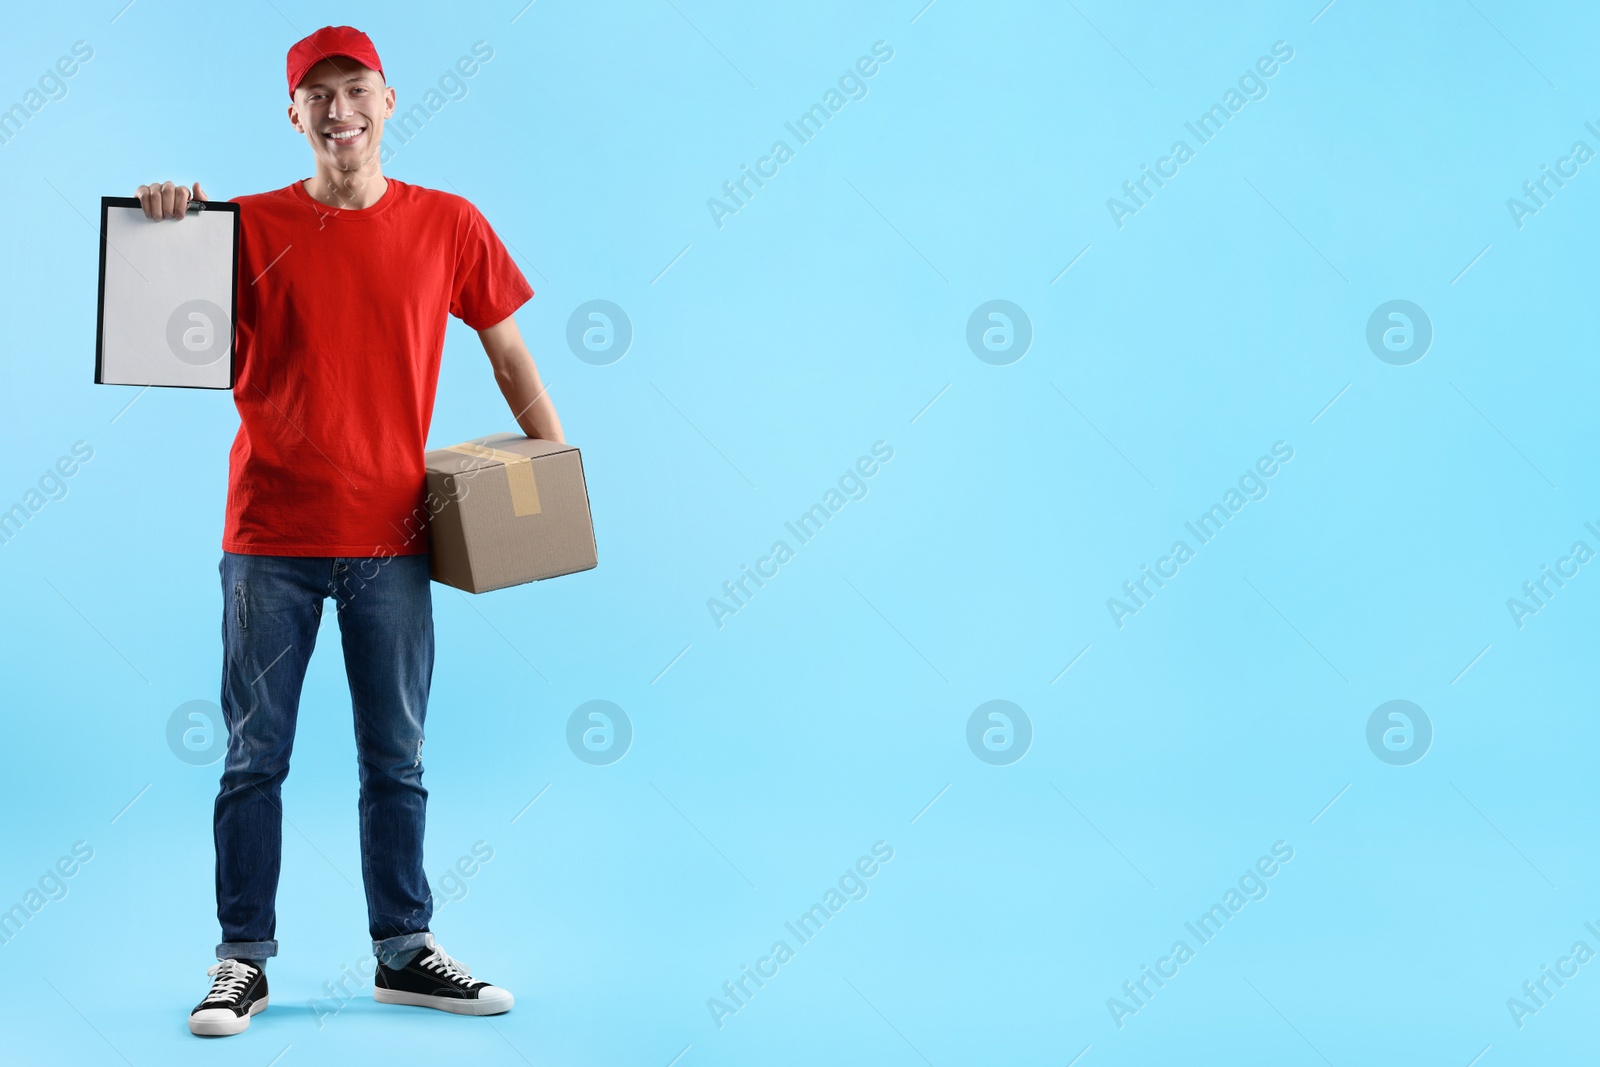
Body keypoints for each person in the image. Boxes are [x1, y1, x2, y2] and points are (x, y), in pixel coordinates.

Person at [134, 25, 563, 1038]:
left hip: (392, 539)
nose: (338, 109)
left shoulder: (450, 224)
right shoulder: (239, 226)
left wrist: (552, 468)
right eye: (317, 93)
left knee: (396, 755)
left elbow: (506, 352)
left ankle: (404, 950)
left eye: (355, 89)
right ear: (293, 113)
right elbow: (158, 332)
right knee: (254, 758)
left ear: (388, 100)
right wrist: (163, 228)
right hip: (269, 535)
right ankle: (242, 958)